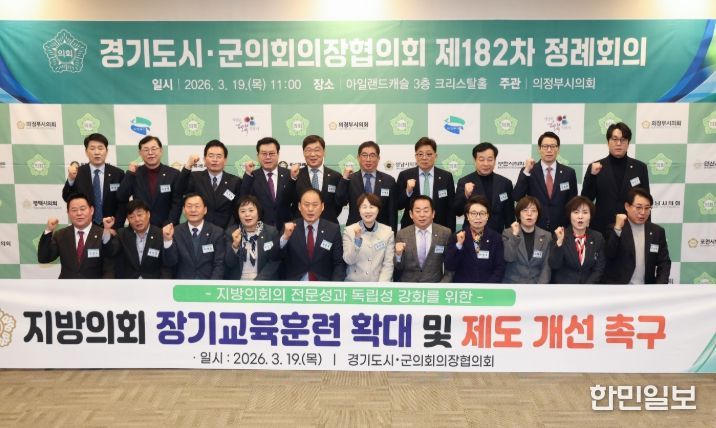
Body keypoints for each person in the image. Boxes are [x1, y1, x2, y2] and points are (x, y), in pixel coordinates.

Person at [581, 122, 650, 235]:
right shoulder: (596, 167)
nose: (618, 143)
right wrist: (592, 176)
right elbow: (585, 199)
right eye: (615, 139)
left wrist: (647, 230)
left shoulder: (640, 168)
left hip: (631, 227)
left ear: (628, 143)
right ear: (608, 142)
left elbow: (646, 202)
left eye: (623, 140)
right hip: (601, 229)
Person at [512, 131, 578, 232]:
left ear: (558, 149)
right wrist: (526, 171)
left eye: (553, 146)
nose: (549, 150)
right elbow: (517, 196)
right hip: (535, 228)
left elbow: (572, 203)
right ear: (539, 149)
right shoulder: (529, 171)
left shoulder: (568, 173)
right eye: (545, 146)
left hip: (561, 228)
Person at [603, 188, 671, 284]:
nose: (643, 212)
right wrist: (617, 229)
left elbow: (664, 262)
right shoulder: (615, 228)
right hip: (620, 288)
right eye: (638, 207)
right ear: (627, 206)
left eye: (647, 208)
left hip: (646, 288)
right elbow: (609, 254)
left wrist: (660, 286)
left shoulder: (657, 232)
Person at [37, 193, 113, 279]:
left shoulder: (103, 234)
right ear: (68, 213)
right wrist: (49, 230)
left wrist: (104, 285)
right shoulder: (61, 235)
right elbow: (44, 258)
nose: (79, 213)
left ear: (91, 210)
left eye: (82, 209)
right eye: (74, 210)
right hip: (67, 286)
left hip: (94, 286)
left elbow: (109, 266)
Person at [62, 133, 126, 229]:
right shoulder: (78, 173)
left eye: (100, 148)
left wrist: (115, 228)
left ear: (107, 151)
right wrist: (71, 179)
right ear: (86, 152)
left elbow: (123, 204)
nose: (97, 152)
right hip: (85, 228)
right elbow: (67, 198)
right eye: (92, 148)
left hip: (111, 227)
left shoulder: (118, 174)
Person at [279, 188, 345, 281]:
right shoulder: (289, 228)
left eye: (315, 205)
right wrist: (285, 237)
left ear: (322, 207)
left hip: (323, 285)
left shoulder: (333, 229)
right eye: (306, 205)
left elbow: (338, 263)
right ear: (299, 206)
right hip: (295, 285)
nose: (310, 209)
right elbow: (275, 257)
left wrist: (334, 286)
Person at [116, 135, 183, 227]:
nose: (150, 153)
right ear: (140, 153)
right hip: (140, 228)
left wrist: (169, 224)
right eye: (146, 150)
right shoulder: (135, 174)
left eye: (154, 149)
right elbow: (121, 197)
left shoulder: (174, 174)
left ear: (161, 151)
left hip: (167, 228)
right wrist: (130, 173)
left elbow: (177, 203)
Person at [397, 137, 456, 232]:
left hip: (440, 228)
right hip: (411, 229)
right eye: (420, 154)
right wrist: (408, 191)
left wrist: (451, 232)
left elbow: (451, 209)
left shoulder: (446, 177)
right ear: (416, 156)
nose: (424, 158)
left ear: (435, 156)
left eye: (429, 154)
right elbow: (398, 205)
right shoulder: (405, 175)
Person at [180, 139, 242, 229]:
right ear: (204, 159)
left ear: (225, 160)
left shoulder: (235, 181)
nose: (214, 160)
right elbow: (179, 189)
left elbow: (238, 209)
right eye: (211, 156)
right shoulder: (195, 178)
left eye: (219, 156)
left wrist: (230, 231)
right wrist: (188, 166)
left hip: (226, 231)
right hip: (200, 230)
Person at [454, 142, 514, 233]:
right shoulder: (465, 181)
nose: (486, 164)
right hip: (472, 235)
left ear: (495, 160)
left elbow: (510, 217)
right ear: (474, 160)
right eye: (481, 160)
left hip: (497, 236)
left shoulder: (505, 183)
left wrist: (510, 236)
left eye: (490, 159)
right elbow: (457, 211)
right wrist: (465, 195)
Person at [337, 141, 398, 231]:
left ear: (378, 158)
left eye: (372, 155)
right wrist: (344, 179)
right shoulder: (350, 179)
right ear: (358, 158)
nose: (368, 159)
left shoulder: (389, 181)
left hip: (381, 231)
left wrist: (392, 233)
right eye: (364, 155)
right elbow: (340, 201)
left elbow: (392, 212)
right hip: (355, 229)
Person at [163, 193, 225, 279]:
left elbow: (219, 264)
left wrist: (212, 285)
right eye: (189, 206)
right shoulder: (175, 232)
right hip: (183, 284)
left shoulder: (216, 232)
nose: (193, 210)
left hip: (208, 283)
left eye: (197, 206)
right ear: (183, 210)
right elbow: (170, 262)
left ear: (205, 210)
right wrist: (167, 240)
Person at [240, 137, 298, 229]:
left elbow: (295, 201)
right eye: (264, 154)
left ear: (278, 155)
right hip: (260, 230)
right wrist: (248, 174)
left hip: (286, 229)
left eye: (271, 153)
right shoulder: (251, 176)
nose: (268, 157)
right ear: (257, 156)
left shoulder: (289, 175)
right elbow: (243, 200)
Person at [105, 199, 171, 279]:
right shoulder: (122, 234)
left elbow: (168, 263)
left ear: (148, 214)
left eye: (139, 215)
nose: (137, 219)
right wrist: (106, 230)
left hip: (152, 283)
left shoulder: (159, 234)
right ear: (128, 220)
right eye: (131, 217)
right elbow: (111, 251)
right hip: (129, 283)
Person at [445, 195, 505, 283]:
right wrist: (459, 245)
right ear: (467, 216)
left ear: (487, 216)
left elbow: (499, 268)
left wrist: (488, 287)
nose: (478, 217)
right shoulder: (456, 237)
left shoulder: (496, 238)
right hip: (464, 287)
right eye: (473, 213)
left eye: (482, 213)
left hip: (488, 287)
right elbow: (449, 266)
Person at [394, 195, 453, 283]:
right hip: (409, 286)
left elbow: (450, 266)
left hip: (435, 286)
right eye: (418, 211)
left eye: (426, 211)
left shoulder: (445, 233)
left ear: (433, 213)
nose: (422, 215)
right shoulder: (402, 234)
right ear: (411, 214)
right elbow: (398, 267)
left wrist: (442, 286)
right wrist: (398, 255)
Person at [549, 196, 606, 284]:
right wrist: (559, 242)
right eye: (576, 212)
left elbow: (599, 268)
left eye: (585, 212)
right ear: (569, 215)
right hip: (565, 288)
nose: (580, 216)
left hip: (589, 288)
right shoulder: (560, 235)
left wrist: (586, 287)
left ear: (590, 216)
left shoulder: (598, 237)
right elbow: (554, 265)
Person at [224, 195, 281, 280]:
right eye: (243, 211)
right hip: (238, 283)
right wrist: (235, 245)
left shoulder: (271, 232)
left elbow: (274, 261)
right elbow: (229, 264)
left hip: (263, 282)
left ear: (258, 212)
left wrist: (257, 282)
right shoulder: (231, 232)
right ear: (238, 214)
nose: (247, 214)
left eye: (251, 210)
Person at [342, 193, 395, 282]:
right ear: (359, 210)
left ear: (378, 210)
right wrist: (357, 240)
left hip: (379, 284)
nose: (368, 211)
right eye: (364, 207)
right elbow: (349, 260)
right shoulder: (349, 231)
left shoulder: (387, 232)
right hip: (354, 284)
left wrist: (380, 286)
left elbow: (388, 264)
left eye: (371, 207)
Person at [295, 135, 346, 224]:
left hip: (329, 225)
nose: (312, 154)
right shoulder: (295, 176)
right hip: (301, 227)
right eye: (308, 150)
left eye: (317, 150)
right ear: (303, 153)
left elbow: (339, 204)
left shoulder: (336, 177)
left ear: (324, 152)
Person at [502, 196, 552, 284]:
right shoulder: (508, 233)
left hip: (536, 285)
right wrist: (515, 236)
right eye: (525, 210)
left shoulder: (546, 236)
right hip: (513, 285)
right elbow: (508, 257)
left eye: (533, 211)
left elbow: (546, 267)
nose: (529, 214)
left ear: (538, 214)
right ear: (519, 214)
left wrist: (540, 287)